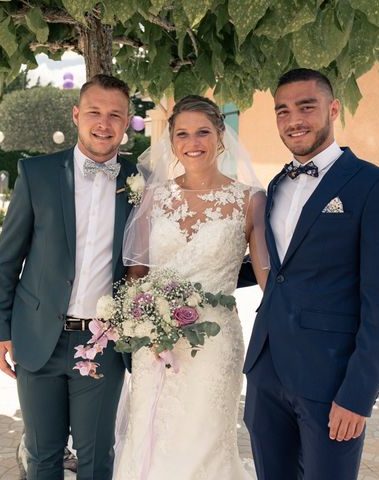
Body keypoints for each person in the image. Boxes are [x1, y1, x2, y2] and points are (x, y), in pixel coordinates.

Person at [243, 68, 379, 480]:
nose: (293, 119)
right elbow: (279, 268)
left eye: (306, 106)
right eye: (283, 110)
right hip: (267, 372)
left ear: (333, 109)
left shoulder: (377, 186)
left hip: (331, 380)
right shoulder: (278, 184)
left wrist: (358, 395)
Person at [0, 74, 138, 480]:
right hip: (37, 337)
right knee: (42, 455)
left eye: (114, 115)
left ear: (126, 122)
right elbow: (6, 261)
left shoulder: (142, 182)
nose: (103, 123)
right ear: (76, 115)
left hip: (103, 341)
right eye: (94, 112)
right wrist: (0, 330)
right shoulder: (36, 174)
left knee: (96, 459)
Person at [113, 95, 269, 479]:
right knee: (151, 438)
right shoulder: (155, 196)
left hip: (214, 346)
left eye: (203, 131)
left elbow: (268, 277)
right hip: (155, 344)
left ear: (220, 136)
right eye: (182, 133)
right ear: (171, 140)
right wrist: (143, 323)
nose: (193, 141)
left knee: (206, 442)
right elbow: (137, 274)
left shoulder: (250, 200)